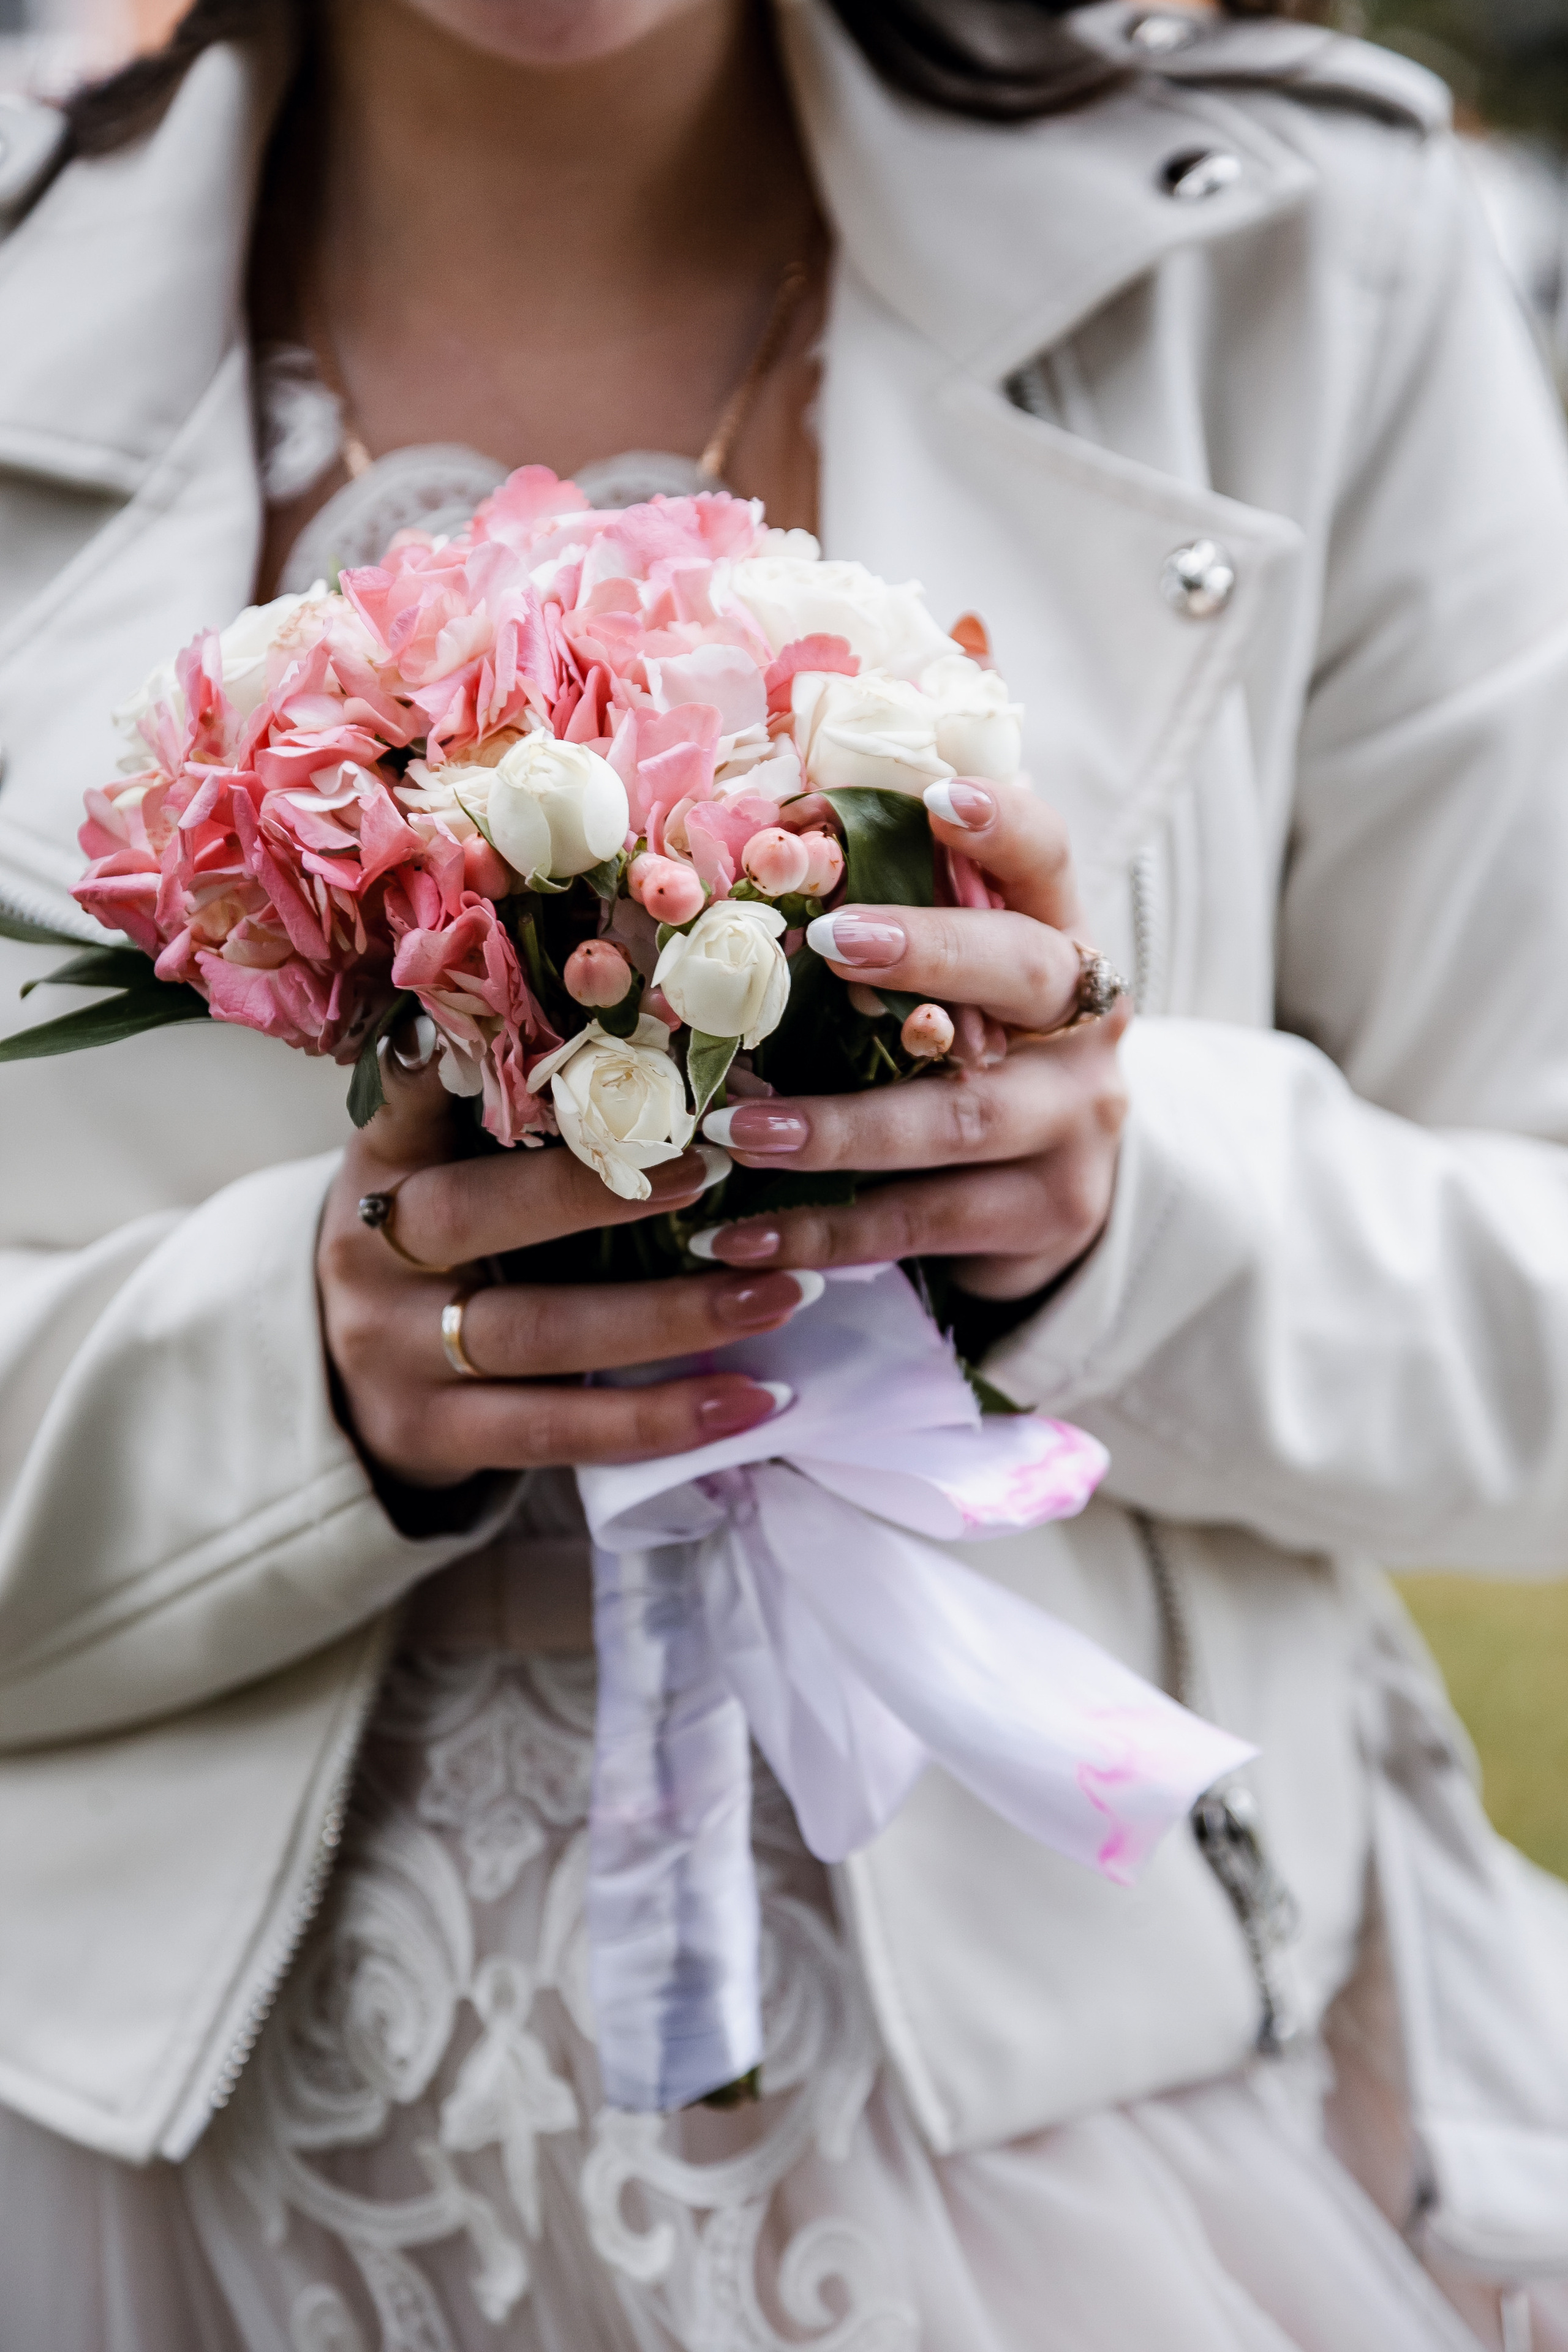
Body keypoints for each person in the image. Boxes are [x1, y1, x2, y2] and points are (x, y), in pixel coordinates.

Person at [3, 0, 1568, 2344]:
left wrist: (1118, 1212)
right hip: (150, 2167)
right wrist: (296, 1375)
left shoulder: (1299, 246)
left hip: (1069, 2152)